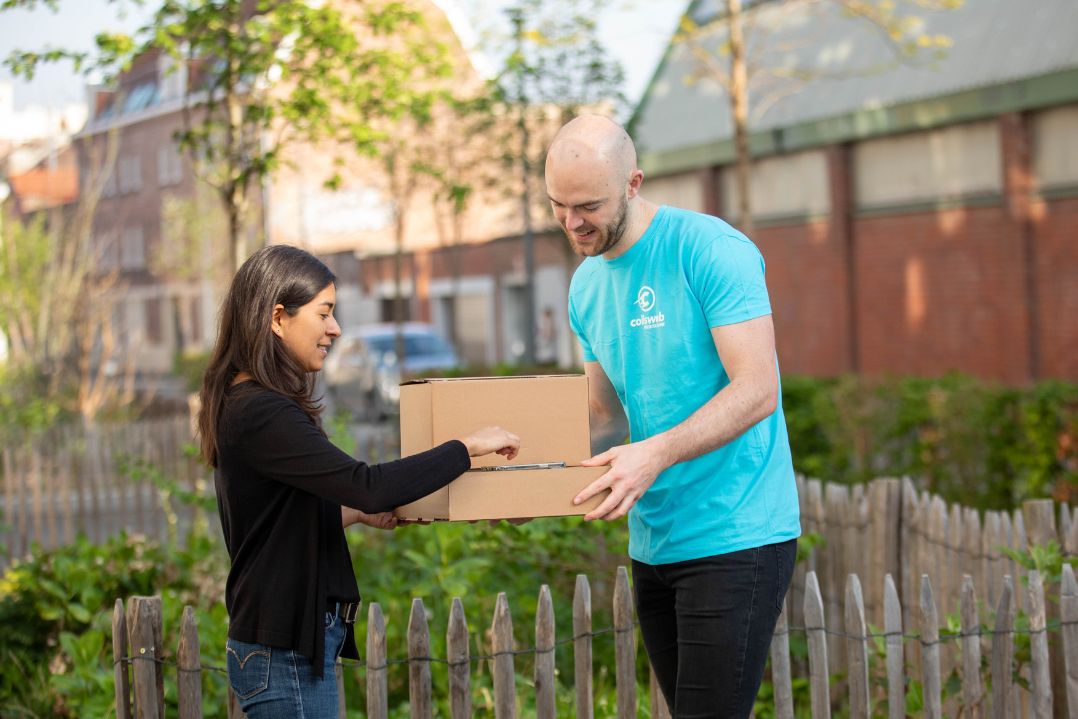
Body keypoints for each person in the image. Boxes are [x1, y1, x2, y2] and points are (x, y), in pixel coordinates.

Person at [545, 115, 801, 718]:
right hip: (654, 541)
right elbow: (603, 415)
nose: (573, 223)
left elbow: (758, 388)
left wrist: (655, 453)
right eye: (558, 206)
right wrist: (526, 476)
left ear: (633, 184)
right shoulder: (585, 285)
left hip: (736, 531)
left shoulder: (710, 250)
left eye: (588, 206)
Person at [197, 245, 519, 719]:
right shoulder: (261, 410)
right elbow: (366, 483)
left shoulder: (249, 402)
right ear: (278, 318)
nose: (336, 329)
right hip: (283, 653)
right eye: (324, 313)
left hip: (280, 648)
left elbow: (276, 518)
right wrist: (466, 448)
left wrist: (356, 514)